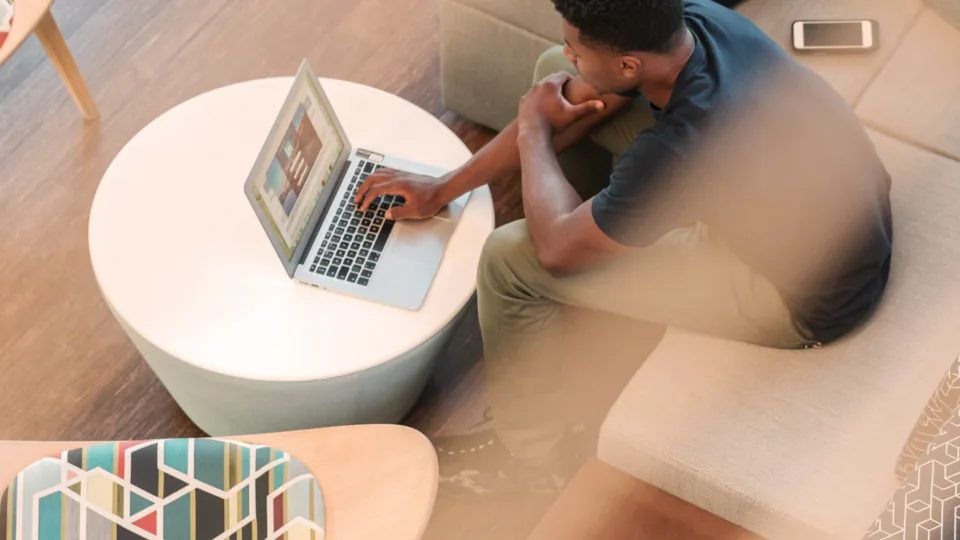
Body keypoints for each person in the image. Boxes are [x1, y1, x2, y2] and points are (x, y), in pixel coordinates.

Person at [356, 0, 893, 497]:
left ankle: (532, 460)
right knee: (555, 76)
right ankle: (596, 241)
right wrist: (444, 187)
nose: (570, 53)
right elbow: (576, 95)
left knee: (508, 259)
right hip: (839, 212)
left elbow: (554, 251)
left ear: (631, 66)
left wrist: (532, 133)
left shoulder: (686, 141)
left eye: (579, 49)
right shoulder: (696, 21)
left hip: (799, 294)